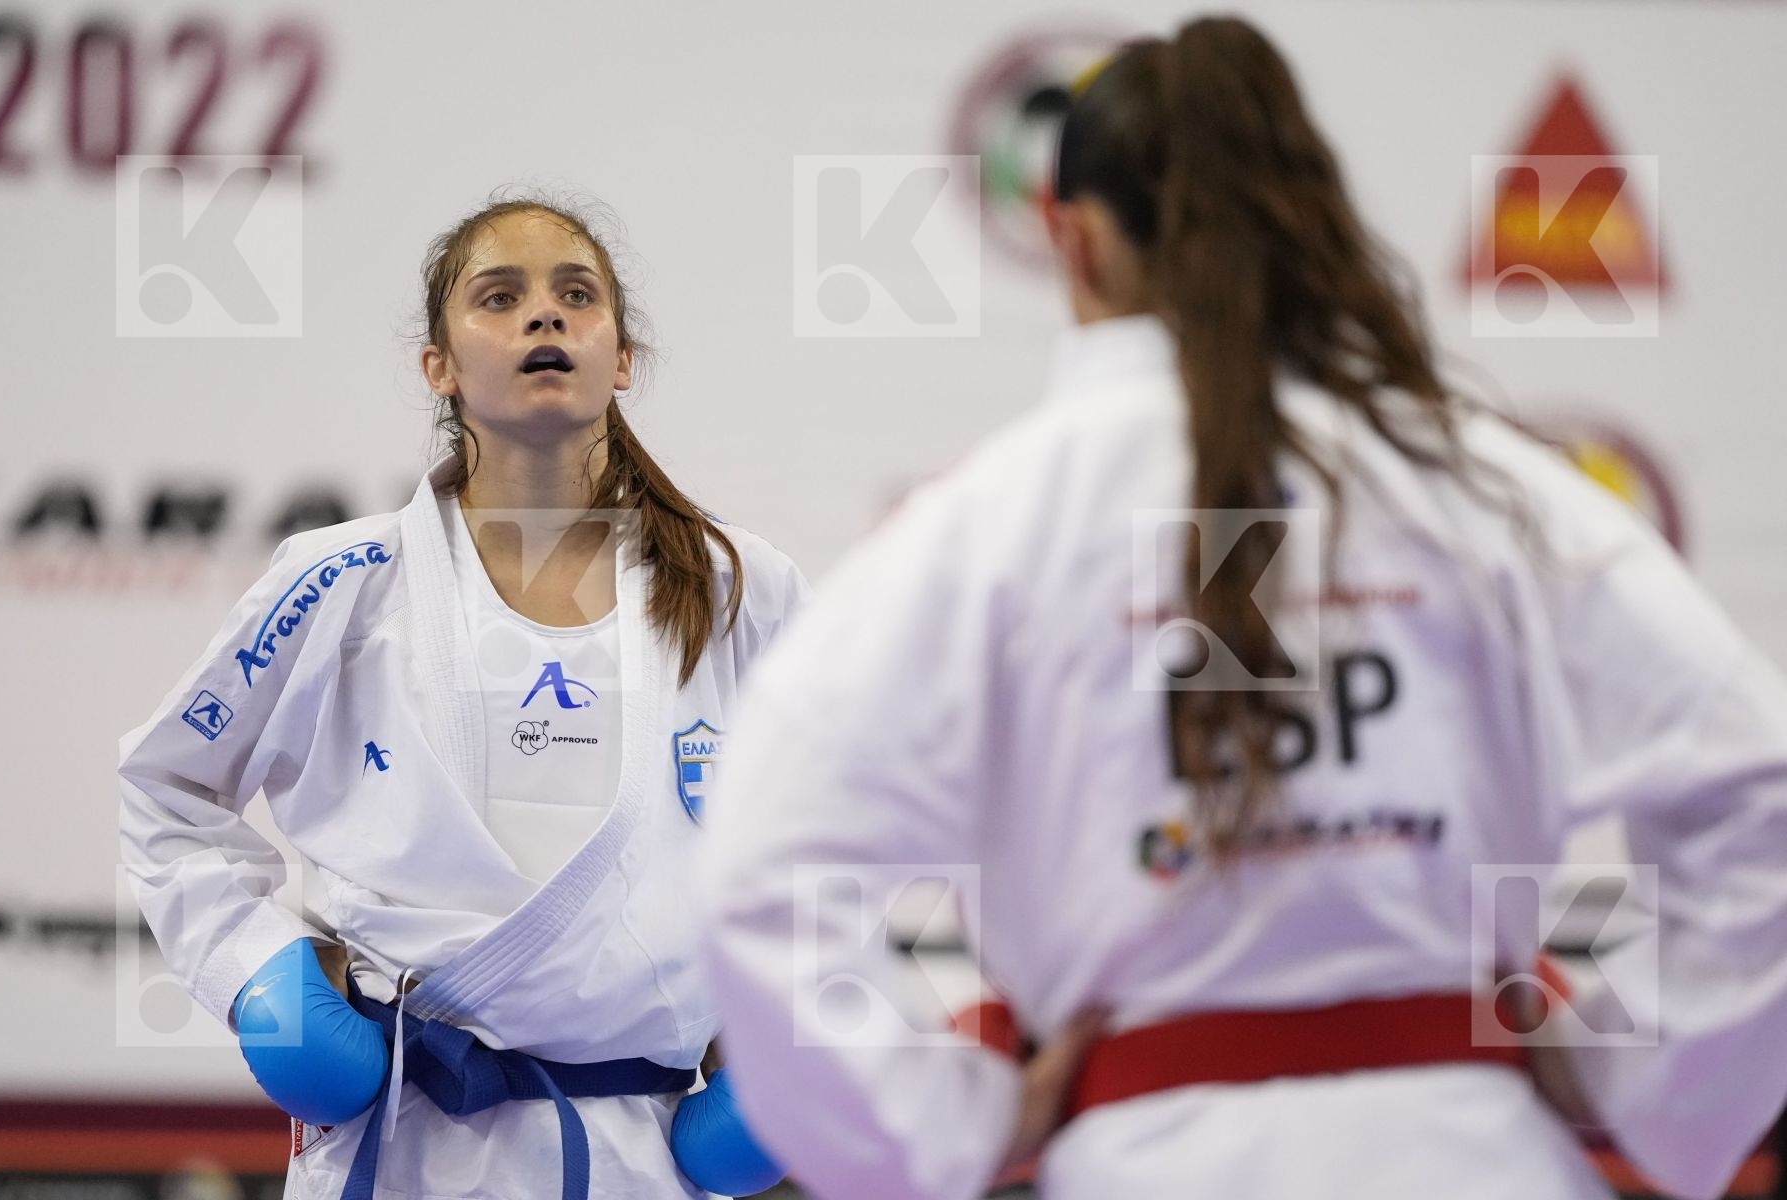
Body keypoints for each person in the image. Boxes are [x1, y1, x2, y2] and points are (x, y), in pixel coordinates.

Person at [700, 16, 1787, 1200]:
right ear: (1300, 218)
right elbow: (1759, 788)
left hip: (1150, 1159)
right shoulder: (1480, 490)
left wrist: (943, 1130)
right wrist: (1655, 1090)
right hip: (1473, 1155)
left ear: (1072, 240)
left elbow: (765, 869)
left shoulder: (993, 524)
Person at [118, 195, 802, 1199]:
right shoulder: (343, 581)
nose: (545, 316)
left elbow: (848, 819)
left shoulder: (738, 584)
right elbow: (163, 789)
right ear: (436, 364)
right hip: (407, 1144)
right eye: (500, 296)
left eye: (577, 294)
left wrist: (785, 1025)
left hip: (641, 1149)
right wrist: (260, 974)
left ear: (623, 360)